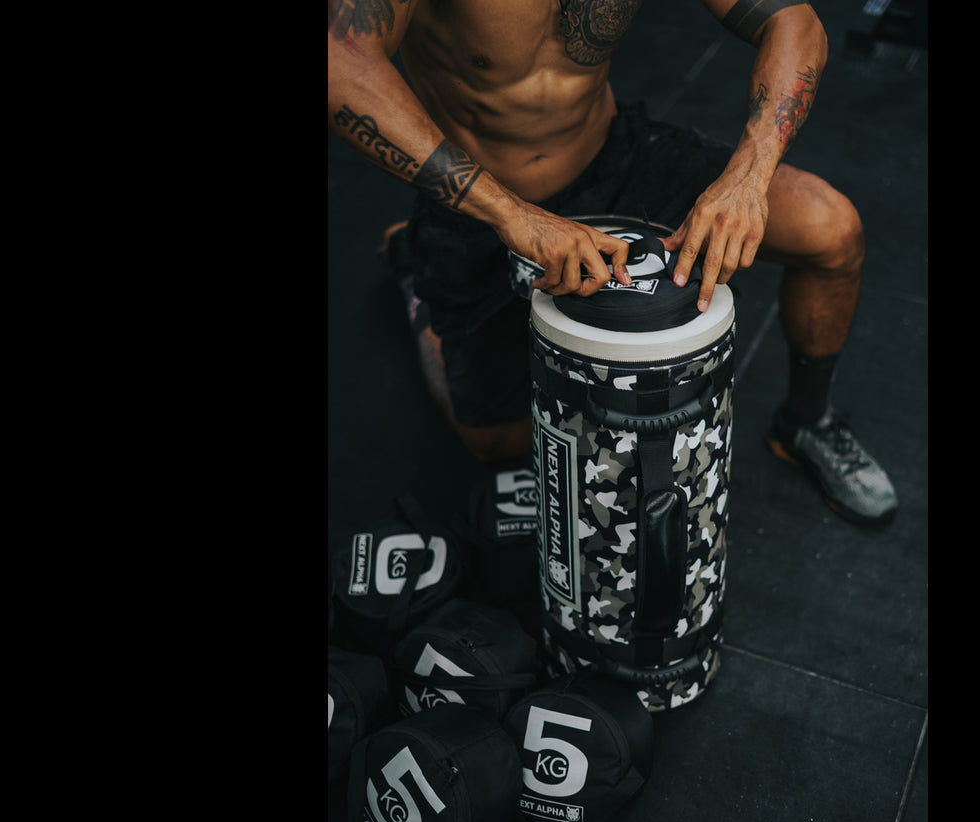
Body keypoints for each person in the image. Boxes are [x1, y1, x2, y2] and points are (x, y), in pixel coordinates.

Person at [328, 0, 897, 526]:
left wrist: (750, 174)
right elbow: (339, 56)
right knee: (496, 445)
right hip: (482, 202)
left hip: (612, 157)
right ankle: (416, 279)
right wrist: (510, 214)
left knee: (832, 230)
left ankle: (806, 422)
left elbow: (795, 21)